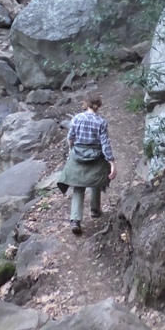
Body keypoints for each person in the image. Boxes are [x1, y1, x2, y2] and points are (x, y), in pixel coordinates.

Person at [57, 92, 116, 235]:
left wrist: (72, 149)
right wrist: (112, 163)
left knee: (78, 187)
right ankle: (95, 210)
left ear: (85, 104)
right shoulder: (101, 122)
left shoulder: (77, 119)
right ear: (99, 106)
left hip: (78, 155)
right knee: (96, 181)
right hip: (96, 156)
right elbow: (105, 144)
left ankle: (75, 220)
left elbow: (70, 138)